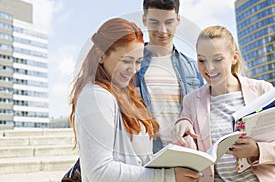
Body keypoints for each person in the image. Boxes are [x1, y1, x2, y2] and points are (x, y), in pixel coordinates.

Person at [69, 17, 200, 182]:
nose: (133, 70)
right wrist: (168, 177)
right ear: (101, 56)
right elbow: (99, 171)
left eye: (138, 61)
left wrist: (175, 155)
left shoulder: (121, 95)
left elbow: (134, 160)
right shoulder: (96, 97)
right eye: (126, 61)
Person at [171, 25, 275, 181]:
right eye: (201, 60)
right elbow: (188, 142)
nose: (209, 68)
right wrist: (182, 125)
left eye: (217, 59)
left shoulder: (262, 90)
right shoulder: (191, 101)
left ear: (234, 58)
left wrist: (257, 150)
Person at [136, 0, 204, 153]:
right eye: (154, 22)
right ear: (144, 20)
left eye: (168, 22)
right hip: (147, 162)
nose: (162, 30)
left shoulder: (194, 69)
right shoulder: (130, 68)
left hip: (187, 157)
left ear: (178, 20)